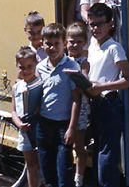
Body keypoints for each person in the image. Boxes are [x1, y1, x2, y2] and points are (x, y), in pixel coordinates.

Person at [85, 3, 129, 187]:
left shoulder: (114, 48)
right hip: (95, 103)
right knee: (99, 148)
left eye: (100, 24)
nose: (95, 28)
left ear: (110, 24)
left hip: (109, 103)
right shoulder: (92, 45)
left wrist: (103, 87)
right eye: (92, 24)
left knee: (107, 153)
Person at [36, 23, 81, 187]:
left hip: (63, 125)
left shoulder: (71, 67)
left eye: (57, 44)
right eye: (48, 43)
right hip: (44, 124)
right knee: (47, 170)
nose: (52, 48)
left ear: (64, 44)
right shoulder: (40, 67)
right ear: (42, 44)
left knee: (64, 170)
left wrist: (71, 128)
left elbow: (77, 99)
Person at [11, 46, 43, 187]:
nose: (26, 70)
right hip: (24, 130)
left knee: (42, 162)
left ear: (35, 64)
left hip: (39, 128)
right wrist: (18, 124)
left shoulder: (41, 83)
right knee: (30, 164)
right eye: (22, 67)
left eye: (29, 66)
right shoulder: (16, 87)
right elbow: (13, 111)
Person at [65, 23, 90, 187]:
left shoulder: (84, 62)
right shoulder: (62, 59)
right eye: (71, 41)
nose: (74, 45)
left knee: (78, 144)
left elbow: (84, 81)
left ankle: (78, 179)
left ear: (85, 42)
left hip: (79, 107)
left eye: (79, 42)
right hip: (63, 106)